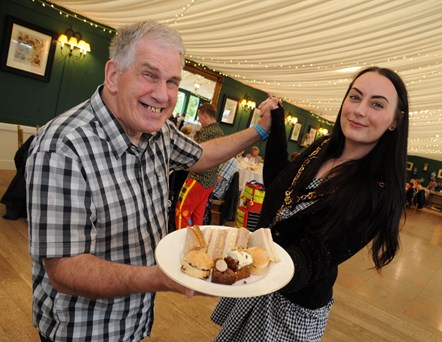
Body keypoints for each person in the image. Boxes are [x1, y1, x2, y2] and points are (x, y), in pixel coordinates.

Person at [26, 20, 272, 342]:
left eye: (172, 82)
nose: (163, 95)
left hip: (135, 320)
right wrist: (160, 277)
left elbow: (202, 155)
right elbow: (65, 269)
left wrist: (261, 130)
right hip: (83, 329)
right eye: (149, 75)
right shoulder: (63, 147)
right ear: (114, 75)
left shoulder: (159, 131)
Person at [211, 66, 409, 341]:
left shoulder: (376, 194)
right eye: (355, 97)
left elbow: (313, 258)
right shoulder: (323, 146)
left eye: (377, 104)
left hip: (291, 305)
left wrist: (239, 264)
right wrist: (276, 122)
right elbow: (279, 182)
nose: (360, 110)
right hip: (260, 278)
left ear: (395, 121)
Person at [175, 103, 224, 229]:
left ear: (206, 116)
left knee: (182, 211)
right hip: (210, 180)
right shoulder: (220, 132)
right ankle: (196, 242)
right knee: (198, 214)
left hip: (198, 178)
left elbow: (197, 157)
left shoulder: (207, 132)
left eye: (200, 117)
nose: (199, 121)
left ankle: (182, 242)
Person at [203, 156, 239, 224]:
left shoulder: (230, 160)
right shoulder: (224, 157)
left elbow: (218, 179)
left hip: (215, 191)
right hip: (212, 187)